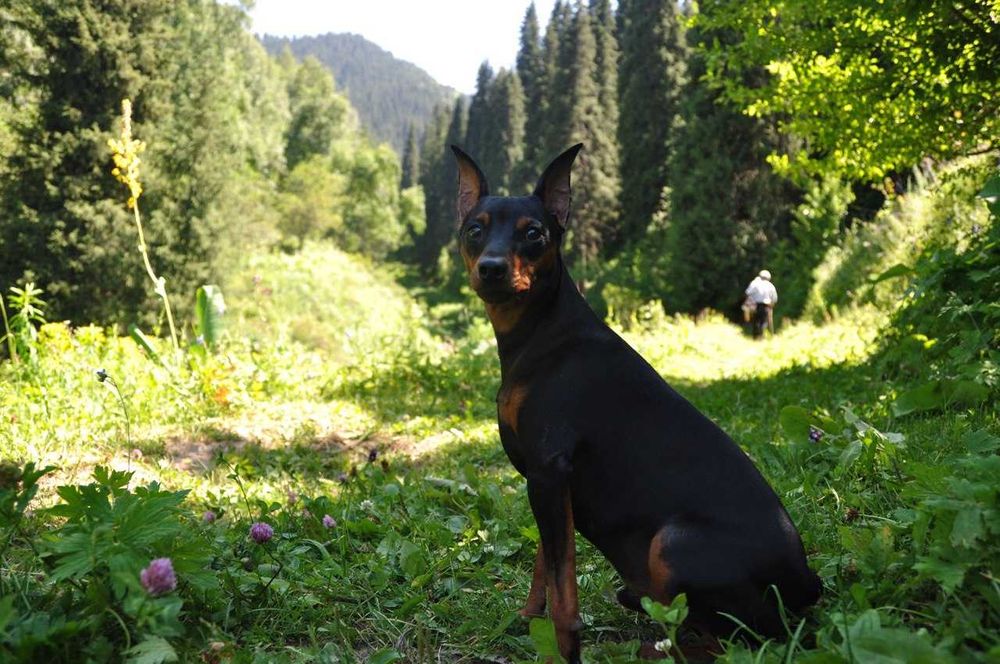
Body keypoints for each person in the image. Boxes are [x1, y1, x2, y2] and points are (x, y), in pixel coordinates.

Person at [745, 269, 778, 339]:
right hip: (766, 306)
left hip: (755, 306)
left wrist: (750, 303)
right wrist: (771, 306)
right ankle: (762, 337)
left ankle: (755, 337)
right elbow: (774, 298)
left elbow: (748, 293)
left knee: (755, 321)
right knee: (764, 322)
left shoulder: (754, 284)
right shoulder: (770, 285)